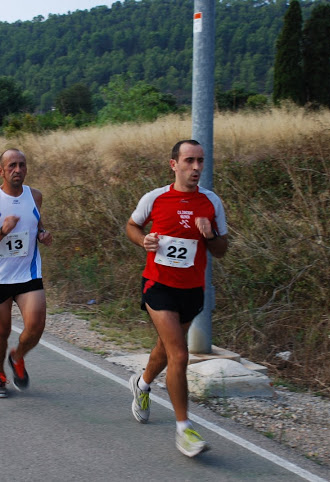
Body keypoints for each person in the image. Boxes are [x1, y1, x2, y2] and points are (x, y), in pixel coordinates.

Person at [125, 139, 228, 457]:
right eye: (189, 161)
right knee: (180, 355)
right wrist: (144, 240)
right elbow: (131, 225)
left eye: (200, 161)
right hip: (158, 285)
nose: (196, 167)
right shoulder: (155, 198)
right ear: (174, 164)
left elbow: (222, 250)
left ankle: (141, 384)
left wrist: (209, 234)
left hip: (191, 291)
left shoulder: (211, 203)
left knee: (165, 350)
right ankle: (185, 430)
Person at [0, 148, 53, 398]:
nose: (18, 170)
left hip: (28, 274)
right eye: (12, 166)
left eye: (22, 165)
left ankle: (17, 357)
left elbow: (37, 224)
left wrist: (42, 234)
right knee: (2, 330)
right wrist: (1, 232)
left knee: (37, 325)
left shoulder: (35, 196)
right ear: (1, 171)